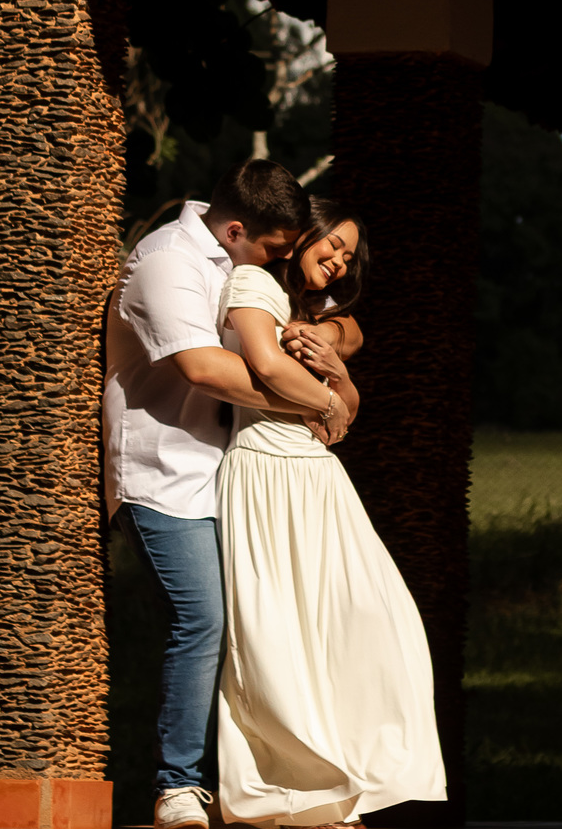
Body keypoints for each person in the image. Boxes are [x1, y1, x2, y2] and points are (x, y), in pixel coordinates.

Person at [103, 161, 354, 829]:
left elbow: (336, 321)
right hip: (164, 474)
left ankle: (267, 783)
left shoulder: (240, 263)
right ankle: (177, 787)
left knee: (259, 626)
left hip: (229, 476)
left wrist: (327, 338)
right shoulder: (167, 262)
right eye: (278, 248)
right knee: (203, 619)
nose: (287, 259)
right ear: (239, 228)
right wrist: (316, 403)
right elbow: (205, 369)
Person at [217, 199, 446, 828]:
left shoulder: (329, 320)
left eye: (349, 254)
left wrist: (339, 382)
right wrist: (330, 399)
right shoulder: (253, 287)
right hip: (263, 470)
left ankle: (364, 775)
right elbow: (269, 369)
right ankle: (298, 789)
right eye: (333, 244)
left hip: (320, 478)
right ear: (301, 237)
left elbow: (344, 404)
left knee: (374, 618)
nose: (341, 260)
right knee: (274, 633)